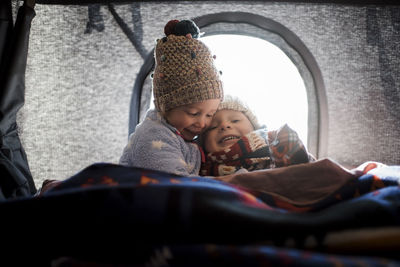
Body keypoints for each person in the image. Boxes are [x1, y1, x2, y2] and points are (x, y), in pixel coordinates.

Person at [119, 19, 223, 176]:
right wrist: (239, 182)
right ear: (165, 106)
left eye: (210, 114)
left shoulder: (183, 133)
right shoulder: (153, 137)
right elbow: (176, 187)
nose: (202, 123)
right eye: (194, 113)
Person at [200, 95, 315, 176]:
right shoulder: (197, 168)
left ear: (254, 129)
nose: (224, 126)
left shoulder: (277, 148)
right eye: (213, 127)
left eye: (235, 120)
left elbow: (310, 172)